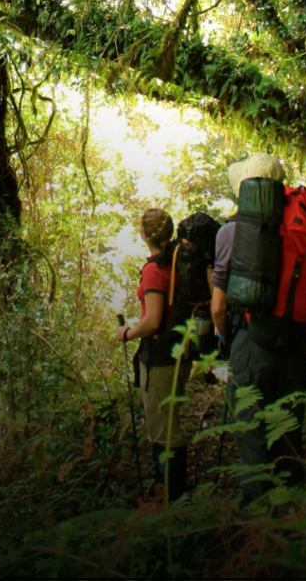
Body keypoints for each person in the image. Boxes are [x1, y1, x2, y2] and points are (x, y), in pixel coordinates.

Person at [210, 153, 306, 503]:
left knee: (250, 425)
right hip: (296, 340)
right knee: (288, 425)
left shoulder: (230, 232)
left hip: (250, 338)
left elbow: (218, 306)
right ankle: (293, 507)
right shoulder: (302, 223)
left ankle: (257, 511)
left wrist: (225, 338)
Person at [116, 208, 192, 502]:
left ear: (145, 234)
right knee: (169, 423)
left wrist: (127, 334)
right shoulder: (177, 261)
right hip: (179, 352)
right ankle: (170, 493)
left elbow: (153, 320)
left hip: (159, 357)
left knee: (163, 432)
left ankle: (170, 497)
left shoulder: (153, 269)